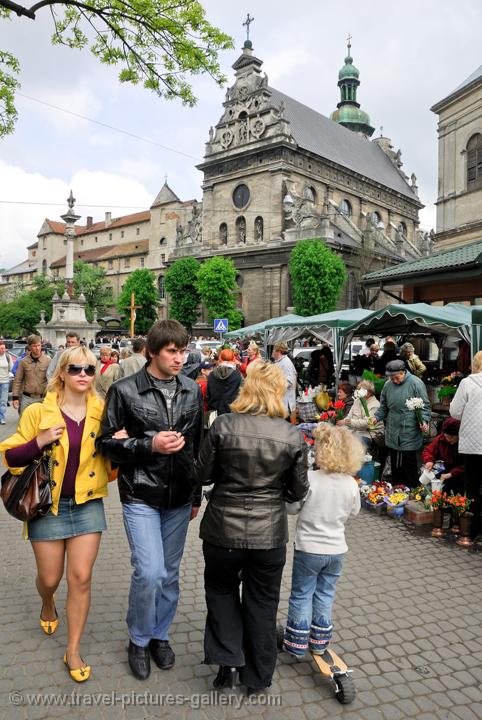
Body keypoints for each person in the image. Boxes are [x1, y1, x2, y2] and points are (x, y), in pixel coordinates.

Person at [96, 320, 204, 680]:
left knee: (169, 574)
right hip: (140, 492)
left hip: (178, 497)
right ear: (153, 352)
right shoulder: (125, 390)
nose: (179, 357)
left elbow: (198, 446)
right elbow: (106, 444)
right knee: (150, 571)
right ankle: (138, 639)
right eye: (172, 351)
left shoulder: (192, 389)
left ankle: (160, 634)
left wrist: (196, 493)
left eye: (183, 350)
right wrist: (148, 444)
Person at [0, 346, 113, 683]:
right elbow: (11, 457)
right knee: (50, 578)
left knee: (80, 578)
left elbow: (112, 468)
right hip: (46, 505)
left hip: (88, 503)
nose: (82, 375)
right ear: (62, 372)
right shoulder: (39, 412)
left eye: (89, 370)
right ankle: (47, 602)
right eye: (75, 368)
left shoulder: (103, 411)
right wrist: (39, 441)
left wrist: (118, 445)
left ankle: (73, 649)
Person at [196, 362, 309, 695]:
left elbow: (203, 474)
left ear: (246, 387)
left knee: (221, 591)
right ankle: (257, 676)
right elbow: (299, 490)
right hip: (269, 534)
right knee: (262, 601)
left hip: (222, 530)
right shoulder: (291, 435)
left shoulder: (223, 425)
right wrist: (276, 494)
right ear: (278, 392)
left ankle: (228, 662)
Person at [283, 423, 363, 658]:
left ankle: (297, 643)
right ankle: (319, 641)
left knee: (302, 593)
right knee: (325, 593)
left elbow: (293, 508)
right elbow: (353, 512)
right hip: (336, 549)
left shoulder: (310, 479)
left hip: (309, 547)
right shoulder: (351, 483)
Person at [370, 359, 430, 488]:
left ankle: (412, 490)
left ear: (403, 372)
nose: (394, 381)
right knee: (395, 463)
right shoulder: (387, 385)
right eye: (391, 378)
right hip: (392, 428)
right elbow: (383, 407)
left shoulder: (416, 383)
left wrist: (424, 421)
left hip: (410, 428)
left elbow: (425, 406)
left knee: (409, 462)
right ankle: (397, 490)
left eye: (396, 377)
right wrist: (376, 418)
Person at [450, 351, 482, 542]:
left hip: (472, 442)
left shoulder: (468, 383)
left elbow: (455, 411)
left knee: (471, 486)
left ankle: (470, 530)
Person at [422, 417, 464, 495]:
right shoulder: (441, 439)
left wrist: (451, 474)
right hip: (444, 470)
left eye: (452, 437)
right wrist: (429, 461)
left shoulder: (465, 442)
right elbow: (428, 451)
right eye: (447, 436)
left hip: (460, 474)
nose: (449, 439)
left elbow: (468, 465)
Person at [12, 335, 51, 415]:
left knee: (42, 424)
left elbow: (52, 379)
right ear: (29, 347)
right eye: (34, 346)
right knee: (24, 422)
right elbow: (17, 380)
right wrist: (15, 397)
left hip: (43, 398)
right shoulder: (23, 362)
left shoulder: (48, 361)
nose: (37, 348)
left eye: (39, 345)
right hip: (27, 398)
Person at [206, 349, 242, 415]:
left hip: (214, 410)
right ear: (233, 358)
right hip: (231, 411)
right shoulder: (237, 374)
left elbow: (208, 394)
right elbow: (240, 394)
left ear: (220, 358)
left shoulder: (212, 374)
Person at [272, 341, 297, 414]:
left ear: (279, 351)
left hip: (286, 402)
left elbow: (289, 381)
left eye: (274, 350)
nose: (272, 352)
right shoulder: (279, 362)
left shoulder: (285, 363)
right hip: (281, 401)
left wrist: (274, 384)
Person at [0, 340, 13, 425]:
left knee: (3, 401)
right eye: (1, 348)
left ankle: (2, 417)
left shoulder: (8, 357)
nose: (2, 350)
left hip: (5, 381)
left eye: (4, 348)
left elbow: (11, 368)